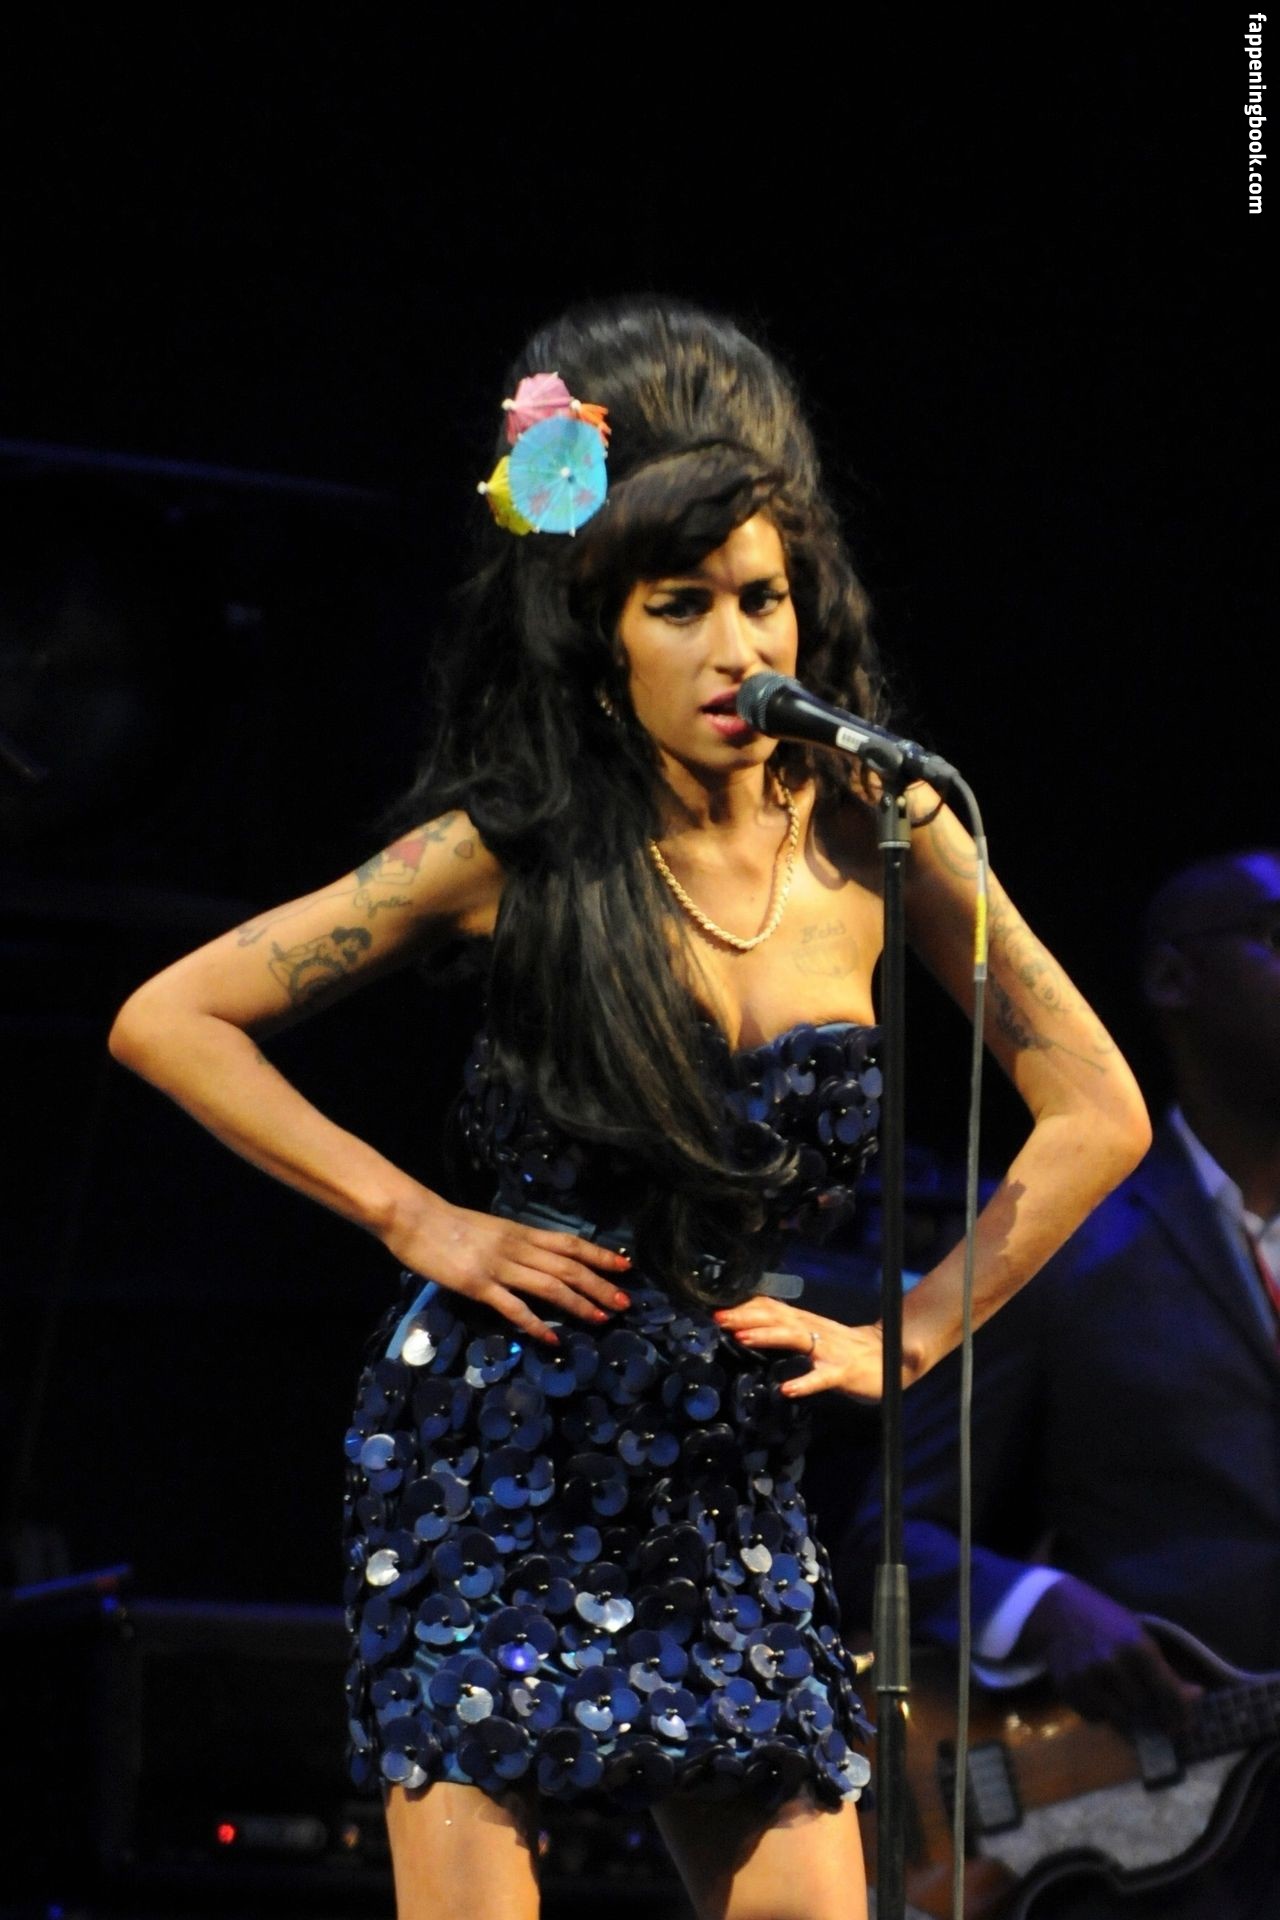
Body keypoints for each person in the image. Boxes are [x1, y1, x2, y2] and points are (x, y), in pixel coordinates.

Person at [106, 299, 1149, 1920]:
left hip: (723, 1468)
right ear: (602, 632)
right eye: (682, 607)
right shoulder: (510, 848)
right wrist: (418, 1220)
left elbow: (1095, 1107)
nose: (736, 650)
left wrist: (914, 1335)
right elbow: (171, 1017)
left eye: (762, 600)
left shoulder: (880, 824)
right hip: (492, 1452)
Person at [836, 848, 1280, 1917]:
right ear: (1173, 978)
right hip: (1155, 1847)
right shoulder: (1059, 1241)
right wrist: (1036, 1607)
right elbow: (890, 1534)